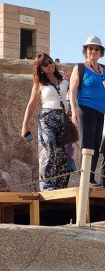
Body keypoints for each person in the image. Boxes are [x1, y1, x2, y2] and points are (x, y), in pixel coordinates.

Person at [21, 53, 70, 191]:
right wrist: (25, 125)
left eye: (50, 61)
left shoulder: (64, 79)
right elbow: (32, 104)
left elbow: (74, 95)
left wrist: (71, 79)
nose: (50, 65)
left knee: (63, 153)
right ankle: (47, 186)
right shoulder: (40, 83)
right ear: (40, 68)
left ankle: (60, 187)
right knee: (49, 149)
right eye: (45, 64)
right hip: (47, 117)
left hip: (63, 118)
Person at [69, 35, 105, 187]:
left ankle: (91, 176)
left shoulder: (104, 69)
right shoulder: (80, 67)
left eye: (96, 49)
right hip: (85, 107)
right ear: (85, 51)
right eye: (90, 49)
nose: (93, 51)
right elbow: (73, 90)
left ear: (101, 52)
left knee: (96, 143)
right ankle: (85, 178)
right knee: (86, 143)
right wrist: (73, 111)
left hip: (100, 111)